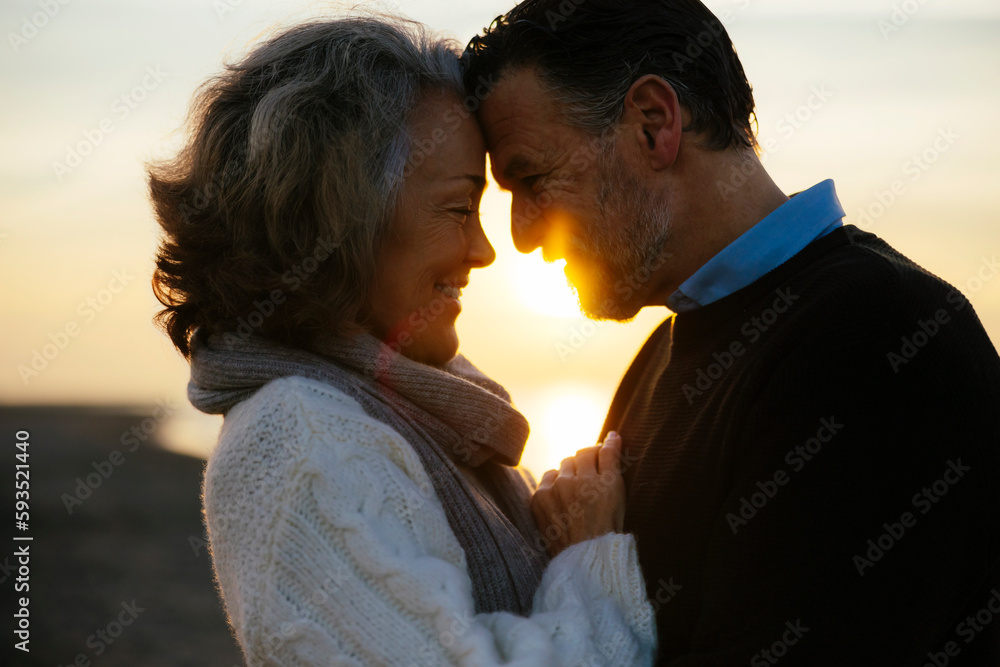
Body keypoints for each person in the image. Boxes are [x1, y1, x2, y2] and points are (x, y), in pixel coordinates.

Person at [463, 0, 1000, 664]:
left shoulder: (884, 336)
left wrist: (587, 565)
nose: (518, 234)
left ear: (654, 123)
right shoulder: (661, 355)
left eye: (532, 179)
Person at [148, 17, 656, 666]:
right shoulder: (302, 443)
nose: (484, 249)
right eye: (458, 208)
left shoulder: (408, 402)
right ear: (344, 218)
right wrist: (591, 559)